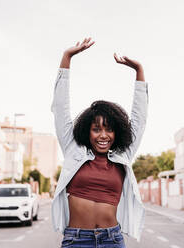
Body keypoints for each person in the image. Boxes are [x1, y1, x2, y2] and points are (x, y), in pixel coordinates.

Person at [51, 37, 148, 247]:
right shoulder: (73, 150)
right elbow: (60, 108)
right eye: (96, 129)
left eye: (109, 129)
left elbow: (139, 119)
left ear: (117, 132)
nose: (103, 135)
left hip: (112, 239)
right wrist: (67, 57)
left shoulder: (124, 156)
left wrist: (139, 71)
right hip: (77, 239)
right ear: (88, 131)